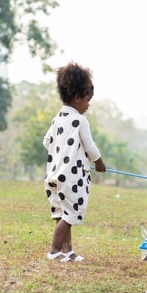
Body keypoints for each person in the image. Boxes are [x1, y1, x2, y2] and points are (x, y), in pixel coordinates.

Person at [43, 62, 106, 263]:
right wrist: (99, 163)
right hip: (71, 178)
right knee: (71, 214)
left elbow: (46, 142)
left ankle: (67, 251)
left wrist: (62, 153)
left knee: (62, 213)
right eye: (88, 100)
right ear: (78, 98)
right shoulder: (79, 120)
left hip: (53, 174)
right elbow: (90, 147)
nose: (88, 105)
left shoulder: (57, 119)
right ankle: (54, 251)